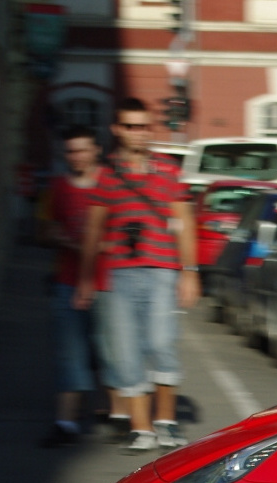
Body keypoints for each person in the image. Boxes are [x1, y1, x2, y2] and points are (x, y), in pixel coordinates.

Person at [77, 98, 199, 454]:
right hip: (118, 274)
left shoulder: (167, 170)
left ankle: (166, 421)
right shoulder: (107, 173)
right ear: (117, 130)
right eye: (130, 126)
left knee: (162, 344)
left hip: (162, 270)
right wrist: (86, 278)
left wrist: (190, 272)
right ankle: (141, 429)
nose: (138, 133)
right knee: (126, 354)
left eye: (144, 126)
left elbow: (185, 224)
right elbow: (93, 228)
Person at [37, 126, 115, 447]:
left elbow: (128, 232)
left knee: (108, 351)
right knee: (70, 353)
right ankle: (65, 422)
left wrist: (101, 245)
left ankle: (112, 412)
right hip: (67, 281)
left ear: (96, 150)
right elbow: (41, 232)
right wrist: (59, 238)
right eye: (71, 151)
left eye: (82, 150)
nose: (77, 157)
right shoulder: (56, 188)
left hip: (107, 282)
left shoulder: (110, 185)